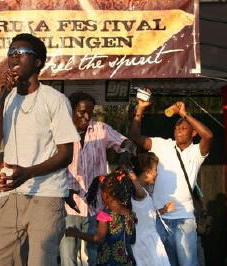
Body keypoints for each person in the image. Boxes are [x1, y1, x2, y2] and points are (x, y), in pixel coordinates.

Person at [0, 33, 80, 266]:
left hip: (46, 195)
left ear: (38, 62)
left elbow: (66, 154)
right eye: (11, 52)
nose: (14, 55)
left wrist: (28, 172)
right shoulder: (5, 99)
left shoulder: (54, 100)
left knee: (39, 262)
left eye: (21, 52)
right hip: (11, 196)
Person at [129, 93, 213, 266]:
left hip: (185, 219)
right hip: (160, 217)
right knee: (163, 263)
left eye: (183, 128)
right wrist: (140, 109)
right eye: (176, 128)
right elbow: (135, 137)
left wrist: (184, 114)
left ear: (194, 132)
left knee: (188, 263)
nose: (179, 130)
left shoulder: (196, 153)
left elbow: (209, 136)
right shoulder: (163, 144)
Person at [60, 91, 136, 266]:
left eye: (90, 112)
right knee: (67, 257)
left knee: (95, 256)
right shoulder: (59, 132)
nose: (86, 117)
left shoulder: (101, 129)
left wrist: (126, 151)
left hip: (97, 208)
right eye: (81, 112)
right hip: (68, 206)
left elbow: (128, 143)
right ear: (70, 111)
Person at [65, 170, 137, 266]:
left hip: (109, 262)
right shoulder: (130, 214)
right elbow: (132, 239)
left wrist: (77, 233)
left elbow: (98, 239)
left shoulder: (104, 215)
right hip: (128, 261)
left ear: (106, 195)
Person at [130, 152, 175, 266]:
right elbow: (135, 182)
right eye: (155, 170)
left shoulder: (144, 192)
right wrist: (129, 171)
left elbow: (146, 214)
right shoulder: (140, 193)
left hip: (150, 240)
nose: (156, 173)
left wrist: (163, 210)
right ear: (147, 171)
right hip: (144, 243)